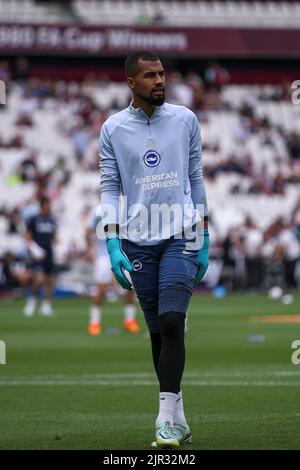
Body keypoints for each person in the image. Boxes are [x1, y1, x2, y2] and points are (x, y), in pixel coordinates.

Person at [99, 51, 209, 449]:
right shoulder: (112, 128)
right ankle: (178, 414)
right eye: (150, 75)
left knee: (171, 322)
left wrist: (203, 235)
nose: (160, 80)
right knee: (156, 333)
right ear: (131, 82)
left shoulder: (185, 120)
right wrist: (111, 240)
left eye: (162, 74)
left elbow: (195, 178)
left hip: (181, 233)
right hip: (136, 237)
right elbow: (110, 187)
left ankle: (164, 418)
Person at [86, 206, 140, 335]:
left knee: (130, 288)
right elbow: (88, 231)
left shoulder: (126, 207)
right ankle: (94, 322)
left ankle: (129, 320)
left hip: (123, 253)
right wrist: (90, 248)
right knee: (101, 289)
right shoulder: (98, 210)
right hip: (103, 255)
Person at [23, 197, 56, 316]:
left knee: (50, 280)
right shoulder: (34, 220)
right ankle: (31, 301)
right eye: (47, 205)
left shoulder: (51, 220)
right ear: (42, 206)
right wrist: (35, 250)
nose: (49, 208)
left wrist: (60, 247)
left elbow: (53, 236)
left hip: (49, 253)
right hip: (39, 254)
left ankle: (46, 305)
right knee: (39, 278)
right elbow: (27, 236)